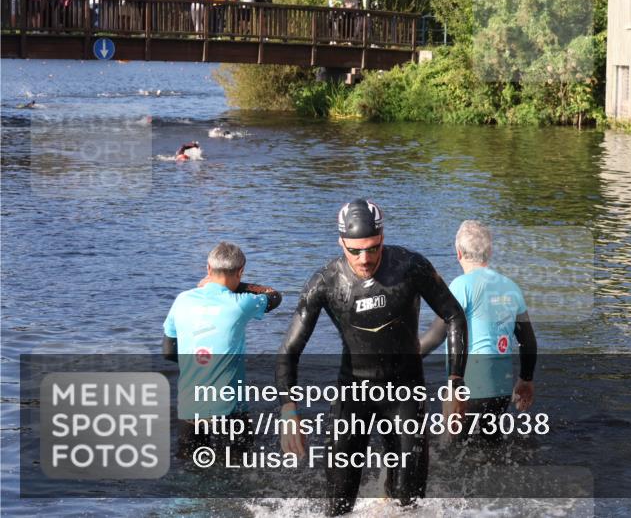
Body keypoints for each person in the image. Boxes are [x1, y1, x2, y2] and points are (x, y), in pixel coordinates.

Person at [276, 198, 469, 516]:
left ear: (382, 237)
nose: (364, 258)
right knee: (338, 503)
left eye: (373, 248)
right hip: (352, 393)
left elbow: (454, 315)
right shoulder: (324, 282)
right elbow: (289, 351)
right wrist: (288, 409)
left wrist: (455, 381)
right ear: (341, 243)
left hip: (405, 391)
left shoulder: (410, 266)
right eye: (355, 250)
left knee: (410, 502)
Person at [163, 242, 282, 458]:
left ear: (208, 269)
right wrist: (242, 285)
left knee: (190, 473)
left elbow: (169, 352)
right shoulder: (240, 303)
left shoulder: (182, 300)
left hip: (191, 408)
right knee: (238, 474)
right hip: (231, 411)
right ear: (241, 271)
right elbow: (274, 295)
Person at [420, 221, 537, 440]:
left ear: (458, 253)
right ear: (489, 251)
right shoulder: (511, 287)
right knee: (491, 446)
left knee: (453, 451)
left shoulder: (460, 286)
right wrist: (526, 379)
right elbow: (528, 342)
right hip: (501, 389)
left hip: (468, 385)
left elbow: (436, 335)